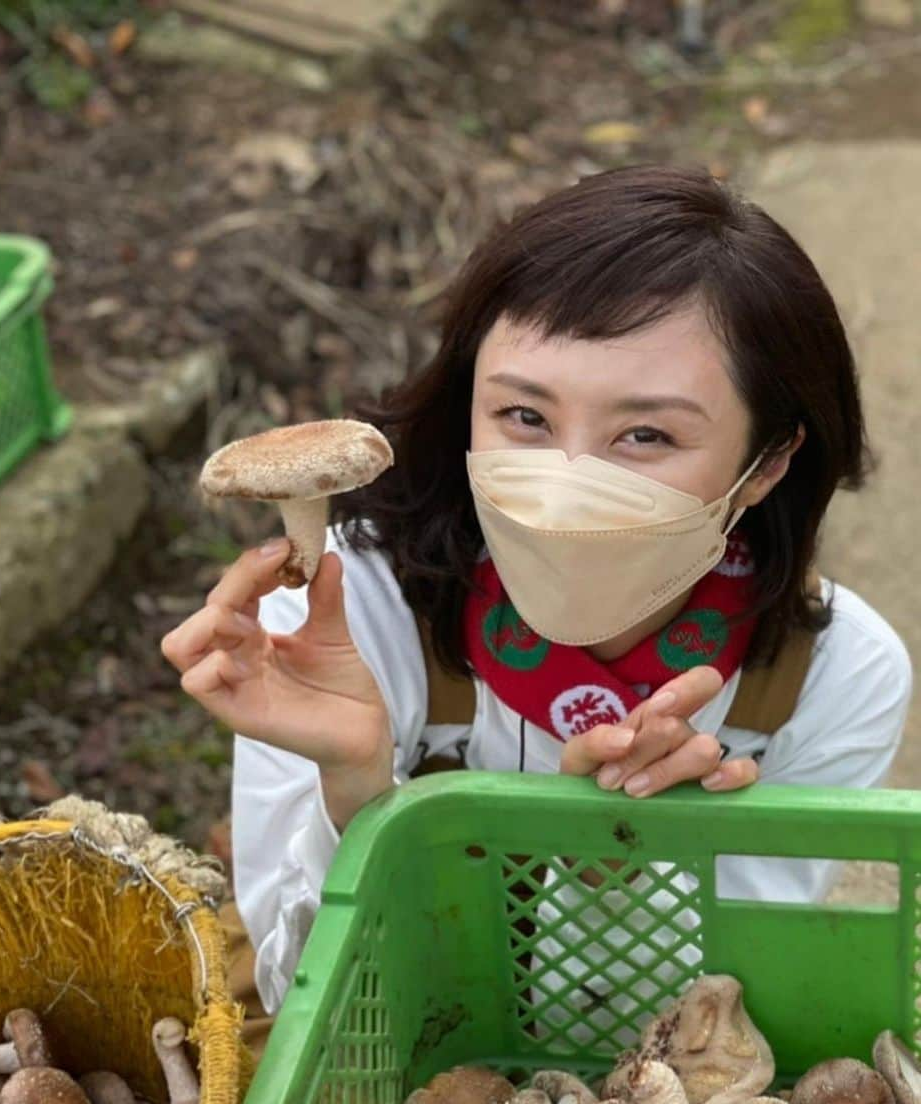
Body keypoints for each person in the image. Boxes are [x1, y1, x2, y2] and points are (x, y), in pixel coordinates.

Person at [161, 164, 912, 1018]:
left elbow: (719, 1024)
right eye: (524, 418)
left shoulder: (835, 677)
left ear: (767, 463)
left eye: (645, 435)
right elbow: (310, 1000)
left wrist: (612, 866)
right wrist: (359, 789)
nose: (563, 488)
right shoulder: (339, 619)